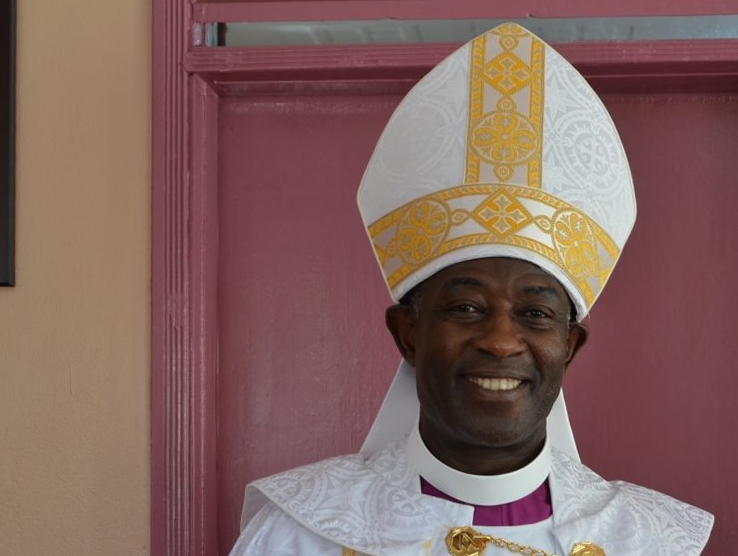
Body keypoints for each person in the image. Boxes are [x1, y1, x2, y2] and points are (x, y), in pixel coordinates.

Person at [230, 22, 713, 556]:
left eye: (535, 314)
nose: (502, 341)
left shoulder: (646, 542)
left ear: (570, 346)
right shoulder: (301, 533)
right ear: (407, 332)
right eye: (465, 307)